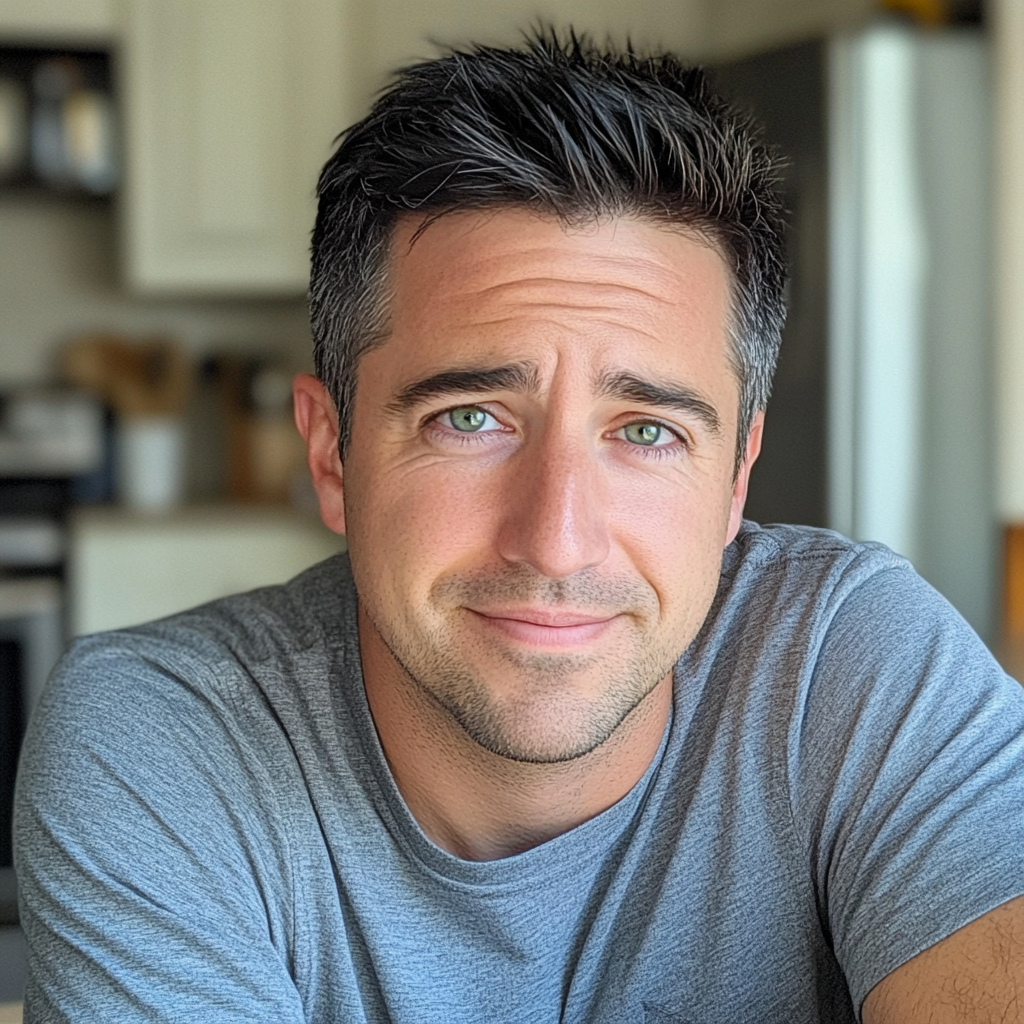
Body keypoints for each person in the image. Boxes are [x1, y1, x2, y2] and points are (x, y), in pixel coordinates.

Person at [15, 31, 1024, 1024]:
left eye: (645, 430)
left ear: (734, 479)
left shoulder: (851, 669)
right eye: (470, 418)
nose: (555, 539)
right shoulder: (164, 745)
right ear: (331, 453)